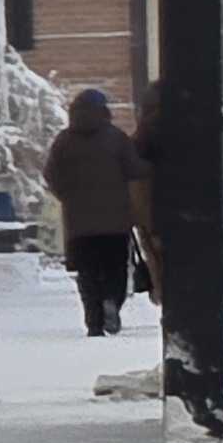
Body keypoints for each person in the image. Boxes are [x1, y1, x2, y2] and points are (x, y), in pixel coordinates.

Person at [45, 87, 149, 337]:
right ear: (103, 111)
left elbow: (51, 175)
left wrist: (68, 198)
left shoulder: (63, 141)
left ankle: (94, 321)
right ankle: (111, 301)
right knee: (116, 267)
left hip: (79, 224)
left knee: (87, 272)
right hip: (115, 221)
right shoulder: (115, 137)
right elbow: (135, 169)